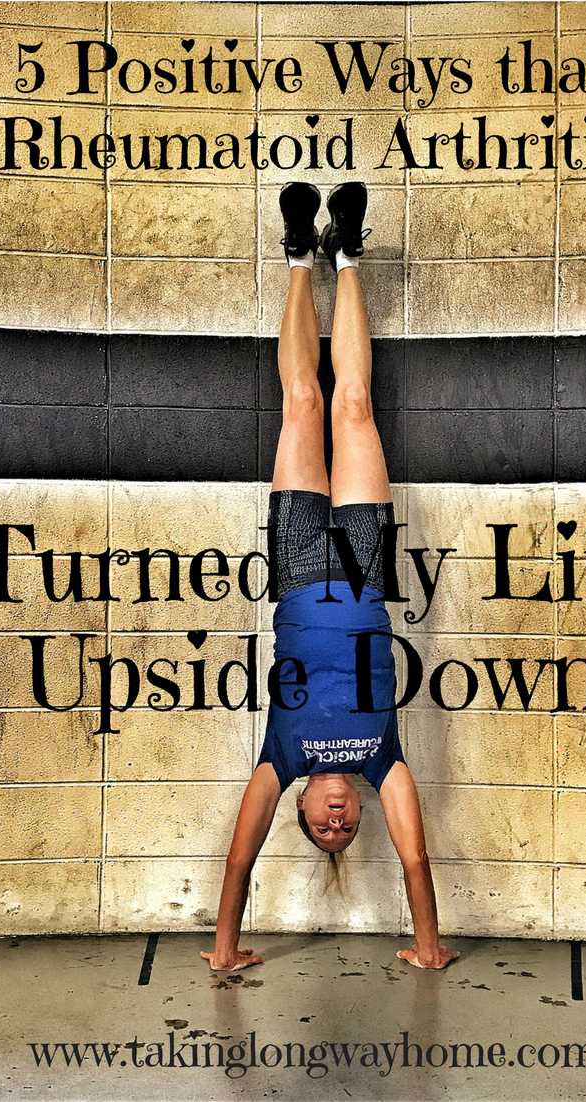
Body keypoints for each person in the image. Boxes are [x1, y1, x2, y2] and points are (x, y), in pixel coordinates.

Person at [201, 182, 458, 972]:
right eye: (348, 828)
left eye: (325, 826)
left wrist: (221, 951)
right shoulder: (383, 762)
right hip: (365, 571)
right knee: (353, 408)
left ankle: (293, 258)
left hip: (302, 568)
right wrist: (425, 946)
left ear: (304, 809)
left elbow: (239, 863)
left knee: (301, 403)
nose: (340, 821)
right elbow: (415, 863)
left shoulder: (283, 759)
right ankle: (344, 253)